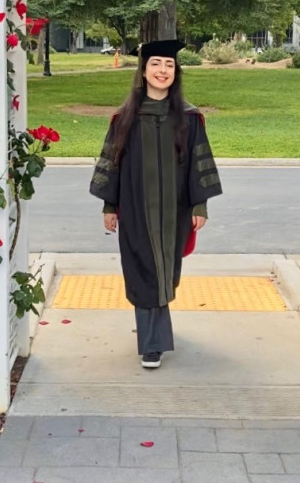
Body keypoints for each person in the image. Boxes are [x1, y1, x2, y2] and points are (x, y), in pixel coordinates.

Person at [89, 39, 222, 369]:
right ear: (144, 71)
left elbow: (198, 162)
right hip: (135, 210)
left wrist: (199, 205)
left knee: (165, 273)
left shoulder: (189, 119)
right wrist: (109, 205)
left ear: (175, 73)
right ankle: (153, 344)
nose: (163, 71)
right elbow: (112, 161)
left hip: (174, 212)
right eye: (156, 65)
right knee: (143, 271)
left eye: (169, 65)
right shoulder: (126, 119)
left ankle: (157, 332)